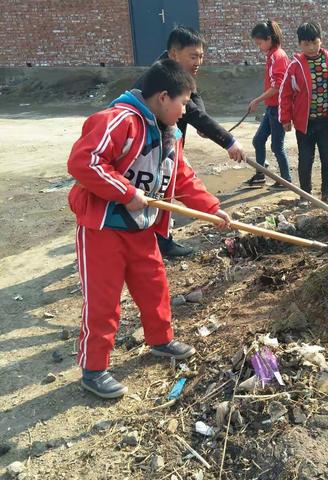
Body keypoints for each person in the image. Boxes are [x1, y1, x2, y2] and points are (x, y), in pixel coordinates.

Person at [67, 59, 231, 399]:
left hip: (141, 228)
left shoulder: (171, 133)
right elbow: (84, 162)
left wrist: (212, 209)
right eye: (183, 103)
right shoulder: (118, 121)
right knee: (103, 301)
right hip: (103, 229)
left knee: (154, 285)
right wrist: (126, 193)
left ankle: (161, 340)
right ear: (162, 97)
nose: (185, 111)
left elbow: (181, 177)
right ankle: (94, 369)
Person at [134, 26, 246, 257]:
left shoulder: (177, 70)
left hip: (168, 143)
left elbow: (194, 98)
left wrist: (204, 129)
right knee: (158, 188)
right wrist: (228, 142)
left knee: (170, 182)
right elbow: (193, 112)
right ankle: (157, 240)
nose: (198, 62)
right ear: (174, 54)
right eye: (193, 56)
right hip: (148, 146)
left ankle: (161, 238)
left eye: (201, 56)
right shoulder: (163, 76)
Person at [279, 21, 328, 205]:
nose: (311, 47)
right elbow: (285, 93)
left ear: (321, 40)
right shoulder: (294, 66)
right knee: (305, 159)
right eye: (306, 44)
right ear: (299, 44)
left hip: (327, 121)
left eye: (314, 42)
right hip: (305, 123)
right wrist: (285, 118)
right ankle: (305, 195)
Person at [243, 20, 292, 189]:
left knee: (277, 146)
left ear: (269, 39)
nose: (259, 47)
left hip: (278, 108)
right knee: (258, 141)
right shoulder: (273, 55)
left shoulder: (277, 57)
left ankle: (286, 180)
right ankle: (260, 175)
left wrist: (256, 100)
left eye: (260, 43)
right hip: (272, 108)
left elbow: (278, 87)